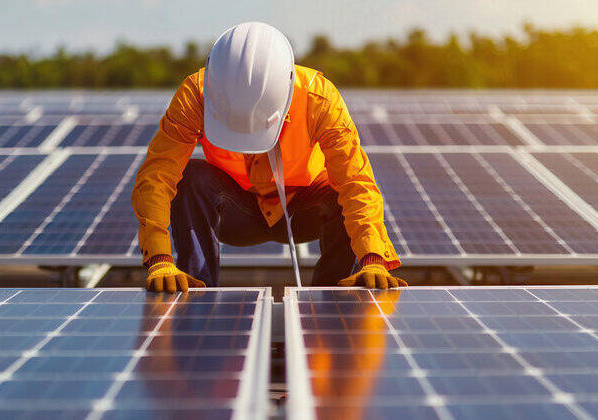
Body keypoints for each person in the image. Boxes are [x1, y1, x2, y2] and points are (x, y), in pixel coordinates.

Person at [131, 22, 406, 293]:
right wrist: (159, 258)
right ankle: (195, 291)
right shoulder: (196, 95)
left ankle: (331, 301)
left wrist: (372, 258)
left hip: (302, 211)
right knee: (191, 178)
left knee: (339, 192)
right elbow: (158, 175)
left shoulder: (318, 98)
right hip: (235, 209)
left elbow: (355, 181)